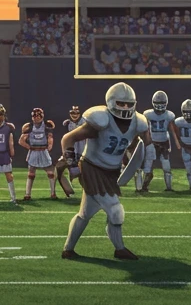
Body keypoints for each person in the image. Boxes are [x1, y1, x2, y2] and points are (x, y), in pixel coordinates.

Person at [60, 83, 151, 259]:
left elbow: (133, 144)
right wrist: (71, 165)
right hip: (92, 168)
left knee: (85, 214)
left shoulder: (137, 122)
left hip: (111, 172)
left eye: (128, 104)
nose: (125, 108)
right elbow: (68, 139)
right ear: (110, 102)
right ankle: (120, 249)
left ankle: (68, 249)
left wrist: (130, 161)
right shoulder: (101, 120)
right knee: (116, 211)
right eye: (120, 103)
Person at [140, 90, 176, 193]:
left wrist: (173, 143)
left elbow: (171, 129)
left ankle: (168, 188)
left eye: (162, 104)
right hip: (152, 142)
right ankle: (144, 187)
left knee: (166, 166)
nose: (160, 106)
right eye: (158, 104)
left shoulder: (168, 115)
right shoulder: (148, 115)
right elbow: (145, 129)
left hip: (163, 142)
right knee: (148, 165)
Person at [19, 108, 58, 199]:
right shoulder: (28, 127)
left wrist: (49, 145)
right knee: (31, 173)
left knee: (50, 172)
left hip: (43, 151)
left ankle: (53, 193)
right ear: (32, 117)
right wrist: (29, 147)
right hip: (33, 152)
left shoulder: (47, 126)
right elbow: (21, 140)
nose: (37, 117)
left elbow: (50, 137)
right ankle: (27, 194)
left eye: (39, 116)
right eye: (35, 116)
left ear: (42, 116)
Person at [55, 104, 82, 199]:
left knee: (83, 175)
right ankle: (69, 192)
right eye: (72, 112)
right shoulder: (67, 124)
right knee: (58, 169)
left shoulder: (86, 123)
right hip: (70, 152)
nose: (74, 114)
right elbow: (64, 139)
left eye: (77, 112)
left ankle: (89, 194)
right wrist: (65, 153)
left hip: (83, 153)